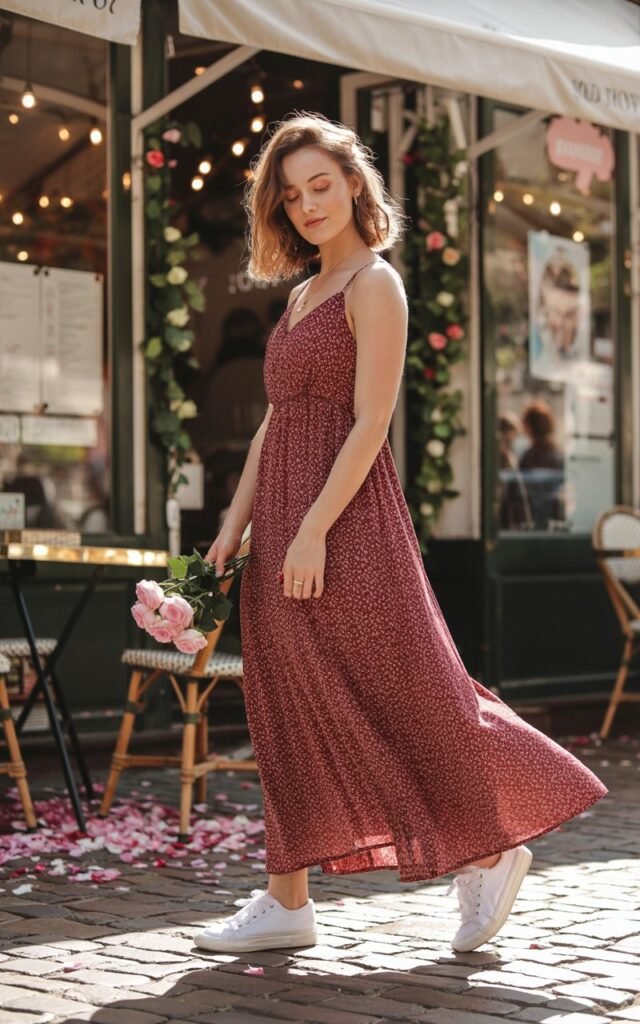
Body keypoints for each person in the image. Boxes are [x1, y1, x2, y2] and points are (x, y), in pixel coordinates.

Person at [196, 112, 607, 955]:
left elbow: (370, 421)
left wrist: (311, 530)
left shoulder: (373, 285)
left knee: (408, 690)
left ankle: (490, 851)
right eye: (292, 191)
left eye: (322, 184)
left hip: (344, 522)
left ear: (354, 184)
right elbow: (276, 424)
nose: (308, 204)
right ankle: (287, 899)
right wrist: (234, 528)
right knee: (287, 702)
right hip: (282, 523)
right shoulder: (302, 294)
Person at [519, 400, 565, 530]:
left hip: (535, 516)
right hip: (555, 515)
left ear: (530, 427)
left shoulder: (530, 455)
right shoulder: (558, 453)